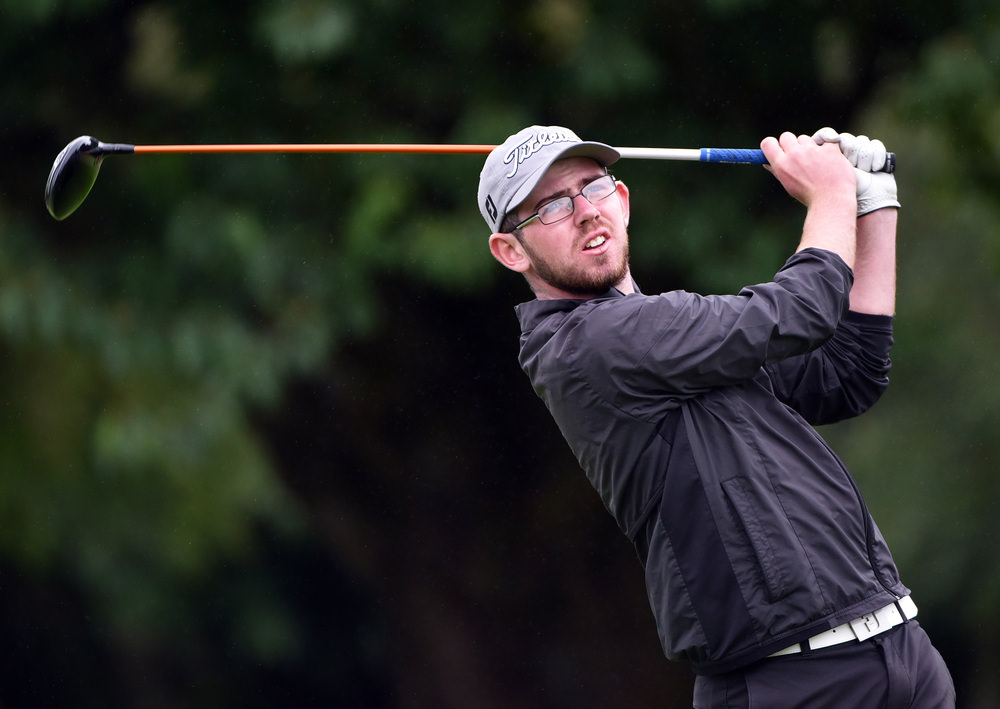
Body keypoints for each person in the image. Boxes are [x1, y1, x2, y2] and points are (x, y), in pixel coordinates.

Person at [477, 125, 956, 708]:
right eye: (549, 206)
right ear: (511, 250)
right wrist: (830, 196)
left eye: (593, 188)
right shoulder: (585, 345)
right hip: (790, 684)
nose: (583, 212)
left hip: (899, 651)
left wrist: (872, 198)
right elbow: (802, 309)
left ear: (622, 201)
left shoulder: (676, 339)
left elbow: (847, 373)